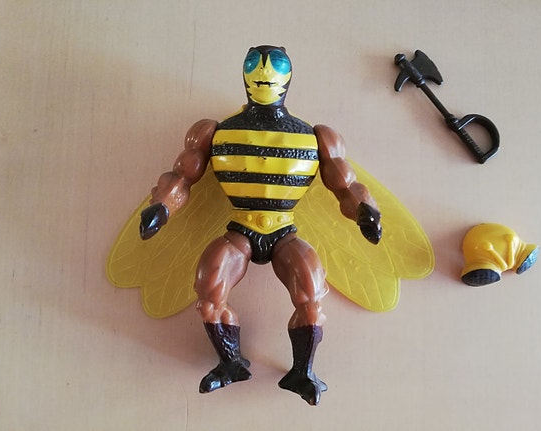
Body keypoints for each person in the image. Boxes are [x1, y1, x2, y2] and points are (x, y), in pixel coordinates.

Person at [139, 45, 382, 405]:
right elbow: (182, 176)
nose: (265, 72)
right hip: (240, 228)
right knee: (209, 290)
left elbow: (345, 185)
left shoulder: (316, 136)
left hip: (285, 230)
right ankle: (230, 362)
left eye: (275, 65)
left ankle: (303, 371)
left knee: (311, 293)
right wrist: (161, 208)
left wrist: (365, 211)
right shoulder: (214, 132)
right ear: (244, 74)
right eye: (256, 64)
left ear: (288, 76)